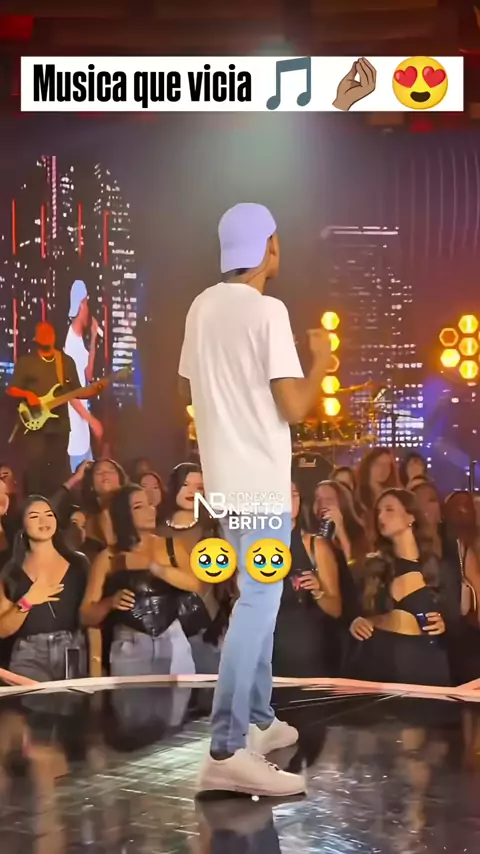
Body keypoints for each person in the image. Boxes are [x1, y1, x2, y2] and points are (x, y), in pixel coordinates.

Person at [178, 201, 331, 796]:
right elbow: (293, 406)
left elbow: (196, 386)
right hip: (261, 485)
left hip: (225, 485)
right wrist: (322, 363)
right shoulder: (268, 310)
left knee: (256, 598)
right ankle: (225, 748)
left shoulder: (200, 306)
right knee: (259, 603)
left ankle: (261, 721)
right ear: (269, 248)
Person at [80, 484, 200, 678]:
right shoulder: (109, 557)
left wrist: (154, 567)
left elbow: (194, 584)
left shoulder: (171, 546)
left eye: (150, 504)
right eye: (138, 506)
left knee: (178, 697)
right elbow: (85, 615)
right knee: (133, 698)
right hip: (130, 644)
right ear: (123, 515)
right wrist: (110, 602)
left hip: (173, 638)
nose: (149, 510)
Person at [347, 488, 451, 686]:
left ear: (410, 516)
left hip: (422, 665)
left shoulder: (437, 568)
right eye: (378, 511)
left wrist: (444, 624)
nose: (381, 516)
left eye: (389, 510)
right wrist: (357, 621)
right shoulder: (373, 566)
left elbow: (456, 620)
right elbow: (354, 610)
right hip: (376, 661)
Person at [0, 496, 88, 681]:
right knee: (34, 701)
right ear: (22, 524)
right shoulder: (11, 572)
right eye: (34, 516)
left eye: (48, 514)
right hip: (29, 654)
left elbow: (90, 618)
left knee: (71, 700)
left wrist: (96, 662)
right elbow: (2, 629)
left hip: (73, 649)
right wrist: (28, 600)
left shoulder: (78, 563)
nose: (43, 520)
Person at [7, 322, 99, 497]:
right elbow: (11, 390)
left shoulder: (65, 361)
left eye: (49, 334)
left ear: (54, 337)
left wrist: (93, 390)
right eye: (42, 334)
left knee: (57, 474)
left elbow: (77, 392)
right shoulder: (26, 362)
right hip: (34, 426)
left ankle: (57, 506)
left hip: (60, 426)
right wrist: (28, 394)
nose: (46, 337)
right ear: (36, 338)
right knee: (35, 474)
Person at [64, 280, 103, 472]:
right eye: (86, 303)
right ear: (80, 305)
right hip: (75, 433)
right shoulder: (70, 344)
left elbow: (88, 374)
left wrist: (94, 339)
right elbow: (68, 392)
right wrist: (91, 420)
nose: (88, 308)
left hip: (83, 433)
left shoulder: (79, 341)